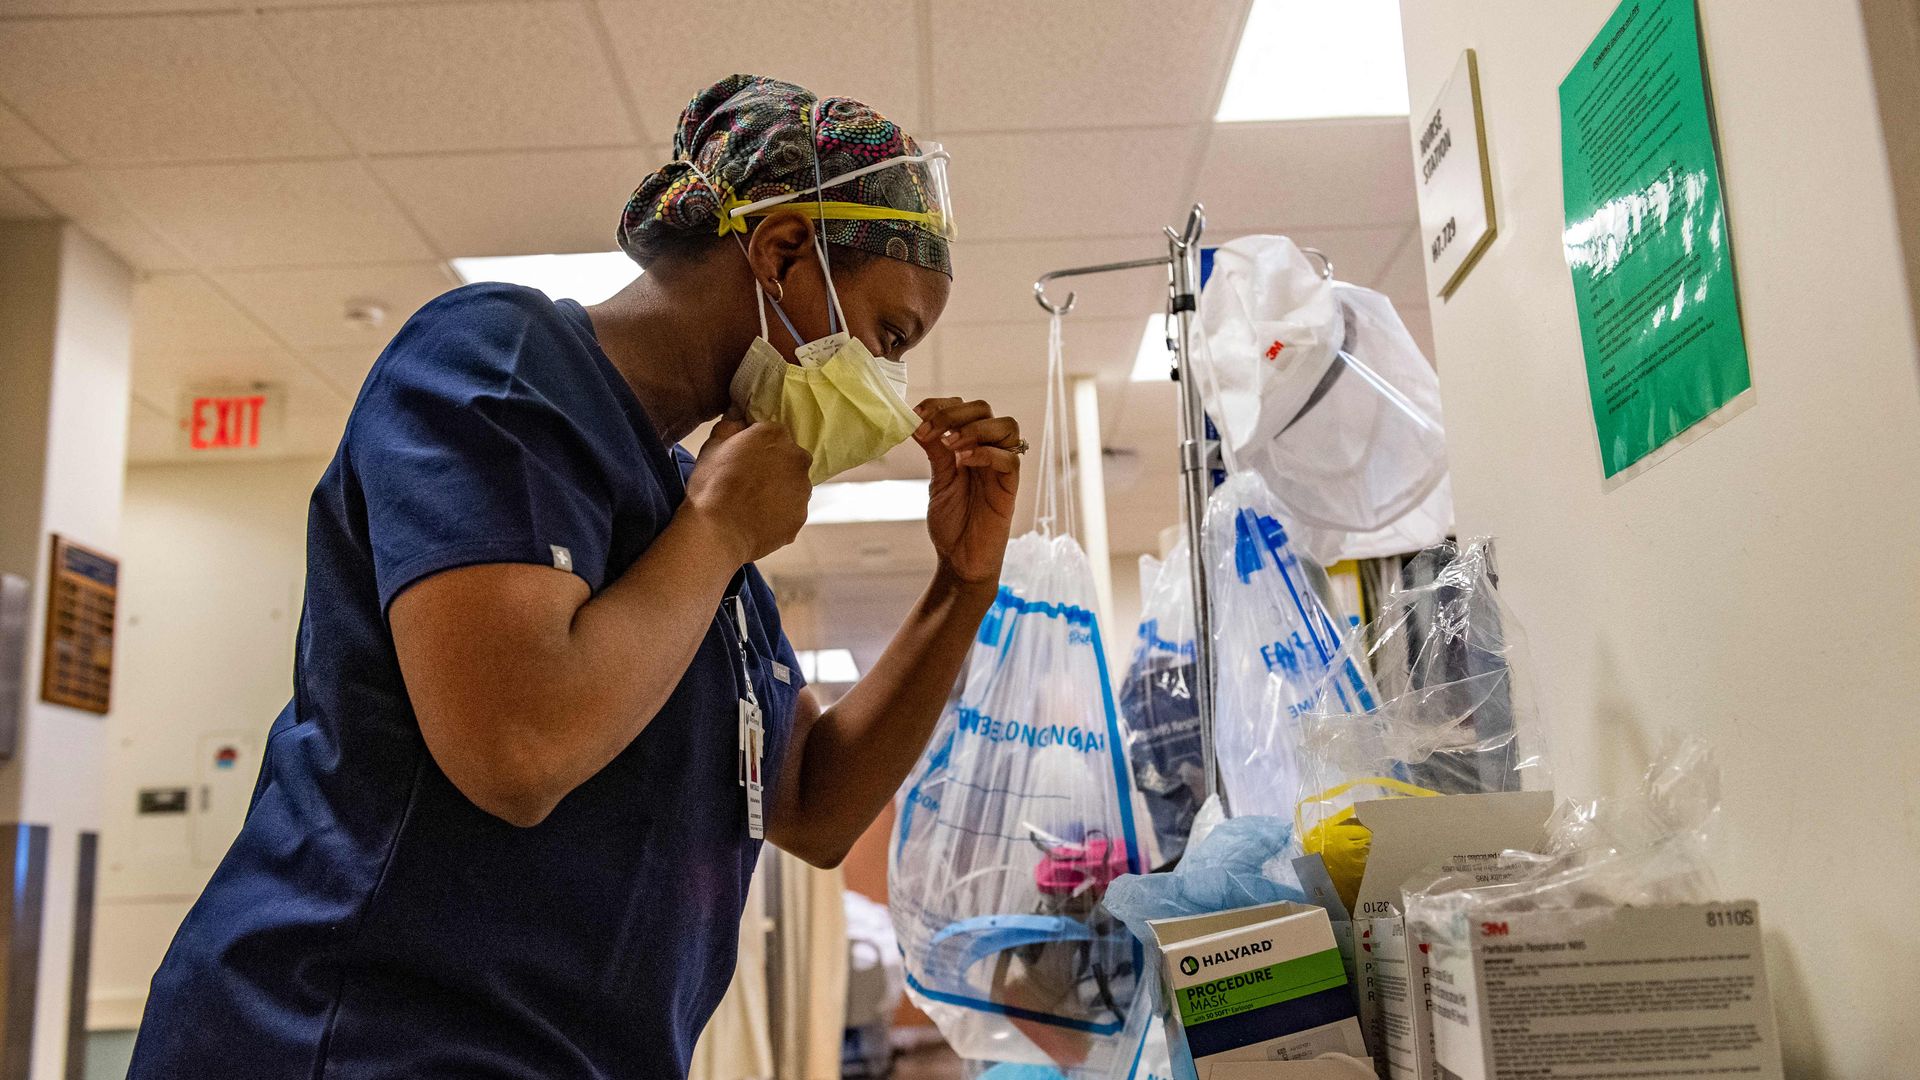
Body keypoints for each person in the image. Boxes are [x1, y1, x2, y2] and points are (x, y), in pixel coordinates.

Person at [128, 73, 1022, 1079]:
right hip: (354, 1042)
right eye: (889, 336)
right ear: (779, 251)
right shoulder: (499, 366)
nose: (892, 394)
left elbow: (812, 804)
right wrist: (720, 531)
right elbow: (516, 743)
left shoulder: (689, 516)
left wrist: (961, 587)